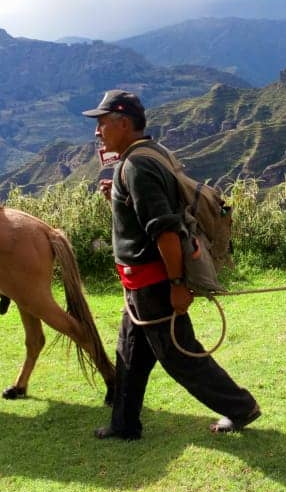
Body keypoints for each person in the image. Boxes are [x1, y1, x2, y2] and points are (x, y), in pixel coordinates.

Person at [84, 89, 260, 440]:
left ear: (123, 123)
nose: (97, 131)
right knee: (130, 353)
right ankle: (124, 424)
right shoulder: (148, 155)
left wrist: (178, 285)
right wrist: (117, 199)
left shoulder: (137, 166)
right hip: (140, 283)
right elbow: (147, 217)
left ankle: (241, 408)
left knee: (180, 356)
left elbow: (165, 232)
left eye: (103, 123)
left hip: (154, 282)